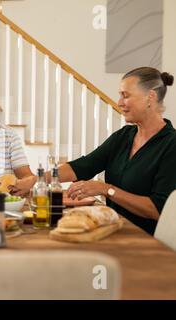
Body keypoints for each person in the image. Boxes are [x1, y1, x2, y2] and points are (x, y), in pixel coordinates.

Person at [14, 67, 176, 235]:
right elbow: (83, 166)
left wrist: (106, 189)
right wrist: (36, 180)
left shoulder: (171, 144)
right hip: (114, 231)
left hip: (144, 241)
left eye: (126, 96)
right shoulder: (123, 136)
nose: (119, 102)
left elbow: (158, 209)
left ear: (150, 96)